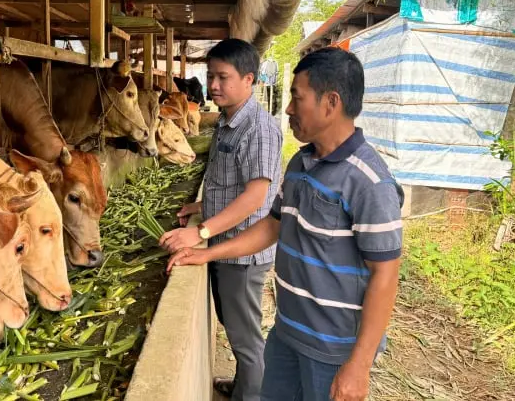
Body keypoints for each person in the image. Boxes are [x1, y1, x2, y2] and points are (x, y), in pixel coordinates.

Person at [168, 47, 403, 401]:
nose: (289, 109)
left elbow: (386, 275)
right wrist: (206, 253)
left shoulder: (370, 182)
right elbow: (272, 226)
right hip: (287, 333)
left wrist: (359, 365)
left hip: (332, 351)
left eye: (297, 98)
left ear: (331, 103)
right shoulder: (300, 164)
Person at [159, 38, 282, 401]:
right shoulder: (229, 121)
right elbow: (231, 182)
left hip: (242, 253)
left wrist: (200, 231)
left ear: (249, 79)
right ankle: (244, 386)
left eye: (222, 77)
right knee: (235, 325)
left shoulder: (258, 128)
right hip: (226, 244)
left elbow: (256, 196)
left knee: (246, 340)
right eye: (210, 76)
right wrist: (200, 207)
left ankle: (251, 396)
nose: (213, 85)